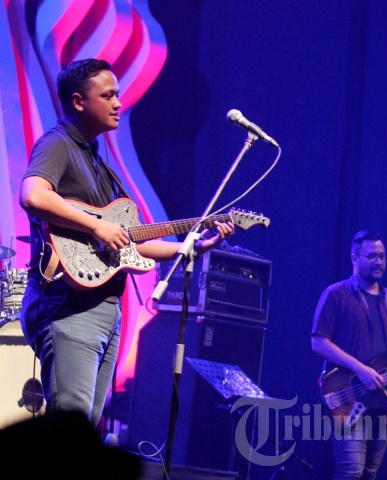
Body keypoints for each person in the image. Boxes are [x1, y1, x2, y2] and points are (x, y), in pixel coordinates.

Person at [18, 58, 234, 427]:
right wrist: (97, 227)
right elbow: (33, 195)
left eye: (118, 94)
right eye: (108, 95)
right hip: (70, 307)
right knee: (69, 425)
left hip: (104, 308)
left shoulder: (96, 161)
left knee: (87, 427)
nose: (118, 103)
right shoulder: (58, 144)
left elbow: (131, 242)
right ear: (78, 102)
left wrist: (194, 247)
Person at [311, 230, 387, 480]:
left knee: (369, 474)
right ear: (354, 258)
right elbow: (318, 342)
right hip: (348, 398)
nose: (379, 262)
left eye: (382, 256)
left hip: (384, 403)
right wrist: (361, 369)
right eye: (372, 256)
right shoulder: (336, 294)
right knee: (351, 472)